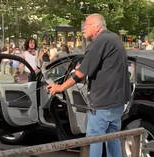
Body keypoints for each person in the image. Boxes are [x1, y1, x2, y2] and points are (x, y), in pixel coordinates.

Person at [47, 13, 130, 157]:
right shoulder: (114, 38)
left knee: (94, 141)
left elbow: (81, 73)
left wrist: (60, 87)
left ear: (97, 27)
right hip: (117, 102)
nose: (83, 29)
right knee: (113, 139)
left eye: (86, 25)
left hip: (103, 103)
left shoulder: (100, 41)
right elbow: (104, 66)